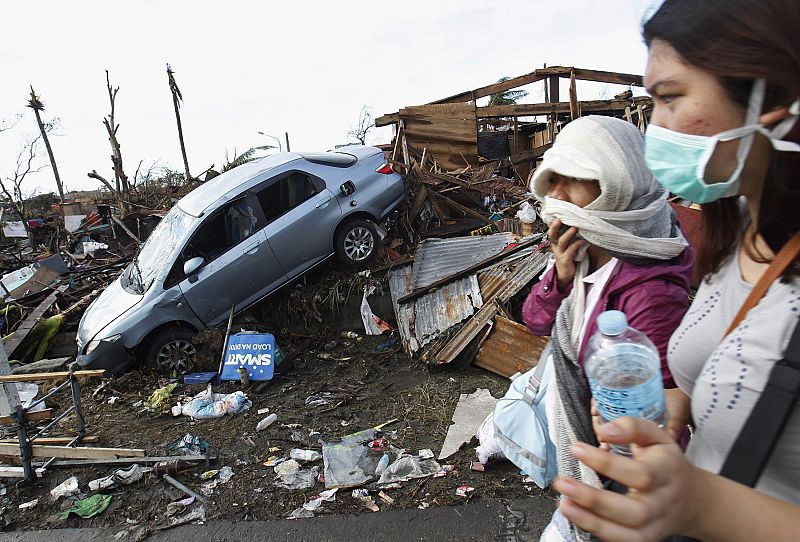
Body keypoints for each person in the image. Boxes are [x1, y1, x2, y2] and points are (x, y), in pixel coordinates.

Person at [551, 1, 800, 540]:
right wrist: (668, 407)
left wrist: (701, 504)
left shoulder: (648, 276)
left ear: (773, 99)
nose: (654, 128)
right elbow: (721, 364)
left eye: (669, 97)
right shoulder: (735, 232)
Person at [519, 115, 693, 540]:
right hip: (587, 461)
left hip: (623, 477)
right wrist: (558, 276)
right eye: (552, 180)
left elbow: (663, 417)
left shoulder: (648, 294)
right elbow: (536, 321)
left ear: (618, 187)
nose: (556, 196)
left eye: (573, 180)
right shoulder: (580, 254)